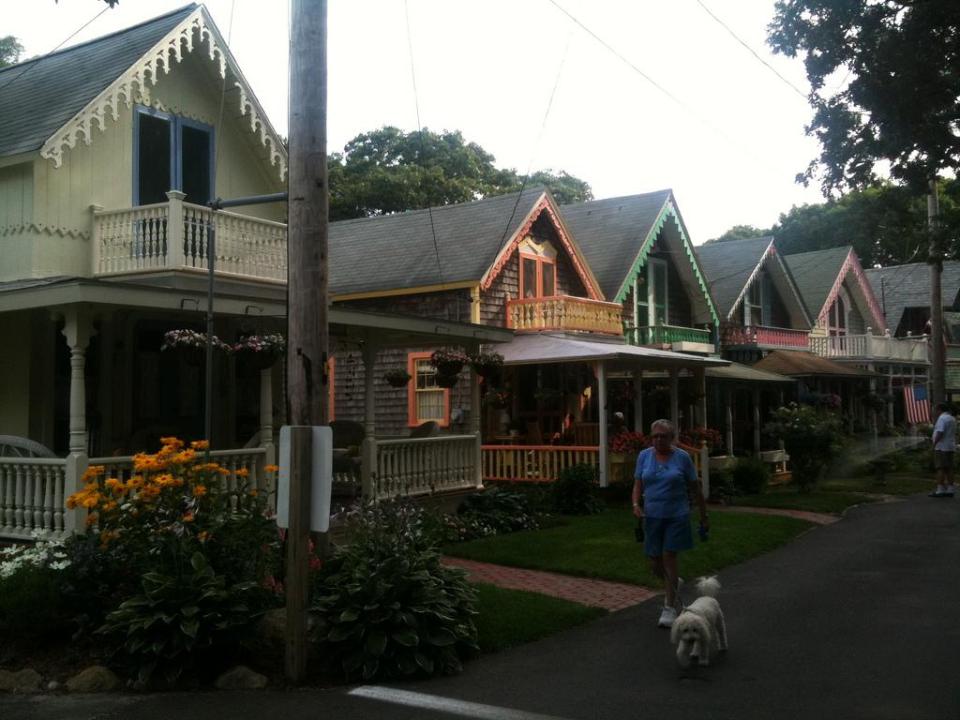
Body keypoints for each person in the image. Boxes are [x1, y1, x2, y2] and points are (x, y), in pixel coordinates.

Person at [631, 418, 708, 628]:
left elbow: (695, 488)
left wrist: (703, 516)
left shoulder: (682, 458)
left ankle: (669, 607)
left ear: (672, 438)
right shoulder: (644, 456)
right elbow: (638, 483)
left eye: (662, 436)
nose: (658, 440)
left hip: (677, 515)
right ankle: (673, 583)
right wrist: (636, 504)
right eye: (654, 436)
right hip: (652, 516)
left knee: (669, 556)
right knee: (655, 563)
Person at [930, 402, 956, 498]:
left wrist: (934, 444)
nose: (933, 412)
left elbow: (940, 432)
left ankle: (940, 489)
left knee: (940, 468)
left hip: (941, 447)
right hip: (950, 446)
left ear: (939, 410)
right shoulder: (952, 418)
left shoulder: (942, 418)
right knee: (949, 468)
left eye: (934, 410)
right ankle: (950, 488)